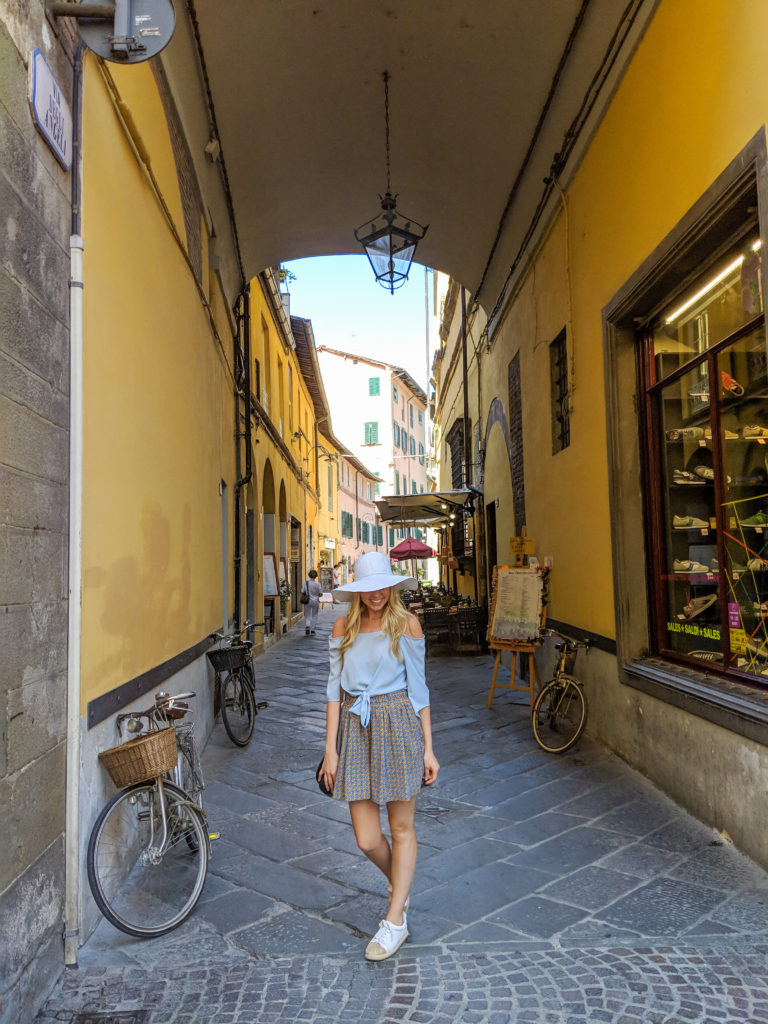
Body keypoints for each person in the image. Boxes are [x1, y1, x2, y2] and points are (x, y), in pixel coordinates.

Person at [319, 551, 439, 961]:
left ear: (391, 586)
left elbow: (419, 691)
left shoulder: (407, 625)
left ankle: (395, 922)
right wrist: (329, 750)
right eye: (368, 588)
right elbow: (334, 692)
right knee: (367, 839)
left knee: (401, 828)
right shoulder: (343, 627)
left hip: (398, 724)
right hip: (355, 727)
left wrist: (429, 747)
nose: (376, 595)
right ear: (357, 591)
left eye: (382, 586)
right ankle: (400, 886)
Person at [302, 569, 323, 636]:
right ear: (316, 576)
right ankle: (313, 630)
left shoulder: (305, 583)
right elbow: (320, 594)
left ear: (309, 575)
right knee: (314, 615)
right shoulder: (318, 584)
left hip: (307, 601)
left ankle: (307, 626)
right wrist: (316, 595)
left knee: (307, 614)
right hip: (315, 601)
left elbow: (302, 592)